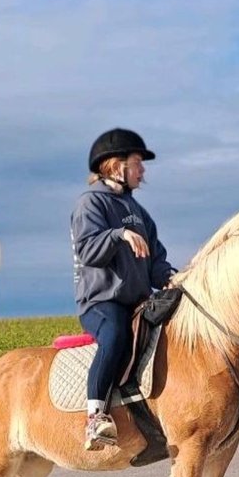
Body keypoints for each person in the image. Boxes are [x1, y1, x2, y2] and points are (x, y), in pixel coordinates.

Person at [70, 128, 176, 450]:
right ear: (117, 167)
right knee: (116, 334)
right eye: (137, 163)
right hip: (102, 303)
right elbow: (88, 250)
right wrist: (118, 235)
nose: (142, 170)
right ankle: (95, 417)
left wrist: (175, 278)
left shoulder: (141, 214)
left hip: (138, 302)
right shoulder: (90, 204)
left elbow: (156, 261)